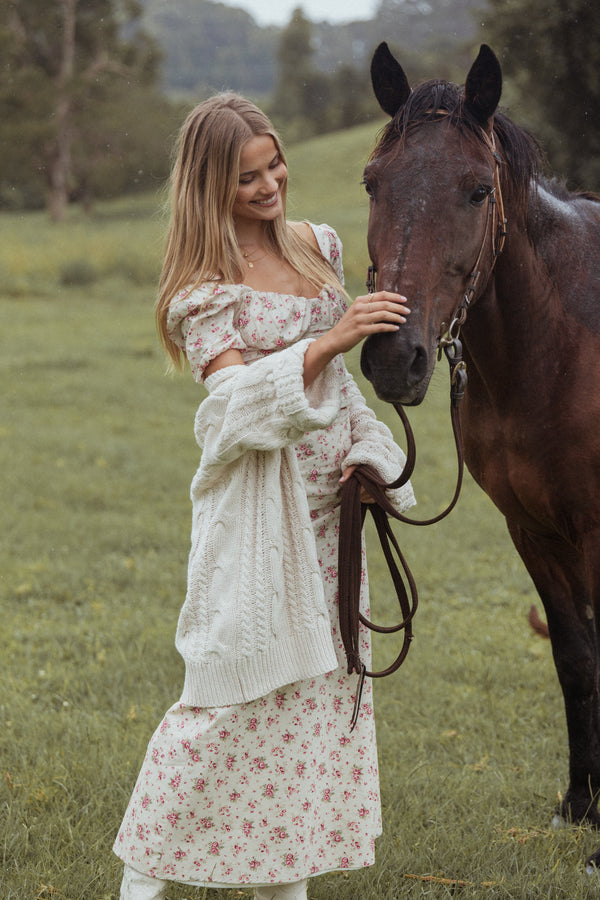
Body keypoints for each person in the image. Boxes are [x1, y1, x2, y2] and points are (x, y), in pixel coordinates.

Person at [113, 93, 415, 900]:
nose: (270, 183)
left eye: (274, 163)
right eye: (247, 177)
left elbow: (345, 390)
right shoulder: (201, 293)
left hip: (329, 511)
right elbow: (236, 407)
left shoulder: (319, 247)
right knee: (222, 695)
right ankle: (141, 879)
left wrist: (369, 457)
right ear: (212, 186)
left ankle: (285, 885)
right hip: (255, 513)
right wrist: (333, 336)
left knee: (315, 700)